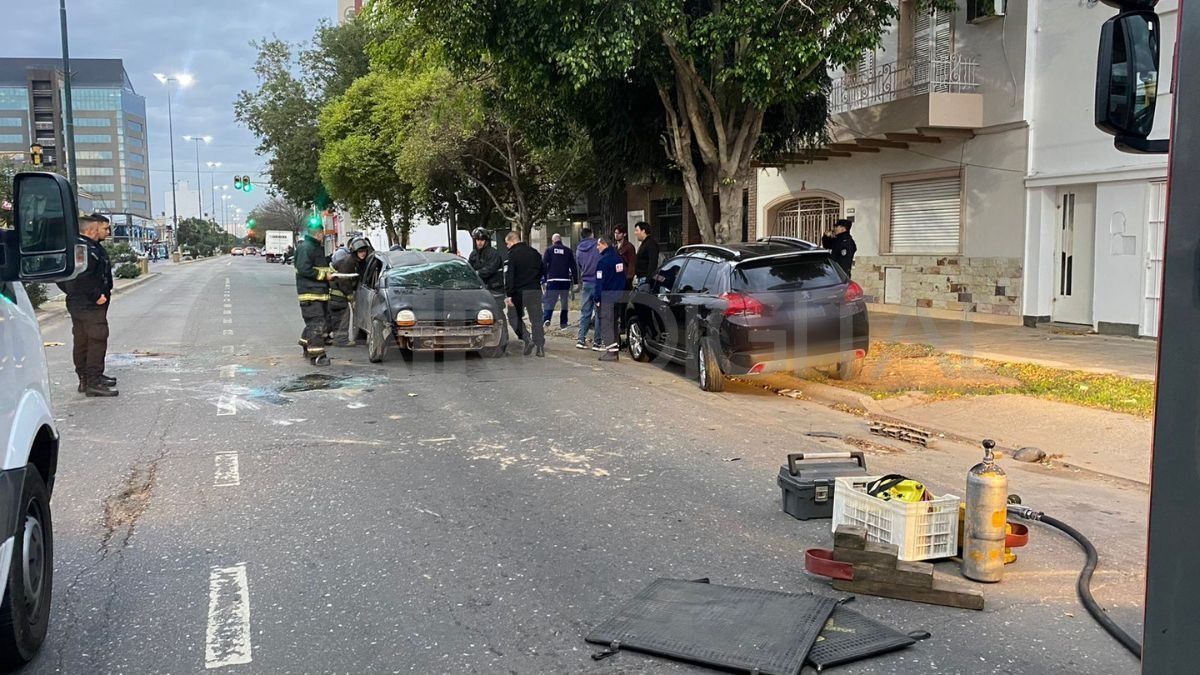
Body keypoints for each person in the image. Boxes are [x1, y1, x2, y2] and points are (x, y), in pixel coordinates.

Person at [58, 213, 117, 397]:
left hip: (85, 303)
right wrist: (96, 295)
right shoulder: (82, 249)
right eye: (105, 228)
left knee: (84, 339)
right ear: (93, 228)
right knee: (96, 340)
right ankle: (93, 381)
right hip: (87, 304)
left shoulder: (92, 247)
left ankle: (87, 379)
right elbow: (75, 277)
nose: (108, 232)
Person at [295, 220, 334, 366]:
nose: (323, 236)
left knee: (317, 322)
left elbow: (319, 267)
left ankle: (306, 343)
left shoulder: (315, 247)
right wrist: (324, 276)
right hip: (311, 294)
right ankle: (317, 356)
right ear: (318, 234)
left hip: (318, 293)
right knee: (316, 324)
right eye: (322, 234)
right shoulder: (307, 248)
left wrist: (330, 272)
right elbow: (304, 269)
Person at [503, 231, 546, 357]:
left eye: (507, 243)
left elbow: (509, 275)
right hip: (535, 290)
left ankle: (527, 338)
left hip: (518, 292)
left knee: (513, 316)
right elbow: (543, 270)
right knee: (537, 319)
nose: (507, 246)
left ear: (512, 241)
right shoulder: (535, 253)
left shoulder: (512, 255)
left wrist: (509, 294)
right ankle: (540, 347)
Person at [329, 237, 371, 347]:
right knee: (343, 315)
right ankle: (341, 340)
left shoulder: (357, 261)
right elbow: (343, 281)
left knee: (334, 316)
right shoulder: (349, 262)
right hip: (338, 292)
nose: (363, 253)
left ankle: (326, 337)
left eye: (364, 251)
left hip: (339, 292)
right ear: (355, 252)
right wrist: (350, 296)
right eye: (360, 251)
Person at [594, 235, 627, 362]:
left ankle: (611, 353)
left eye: (599, 245)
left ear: (604, 245)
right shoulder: (618, 259)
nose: (597, 248)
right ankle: (614, 351)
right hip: (618, 296)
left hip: (606, 297)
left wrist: (597, 298)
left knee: (606, 324)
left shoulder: (603, 262)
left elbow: (599, 282)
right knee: (614, 323)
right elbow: (622, 277)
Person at [541, 233, 578, 329]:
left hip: (553, 279)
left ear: (553, 241)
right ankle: (563, 323)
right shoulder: (568, 251)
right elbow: (573, 267)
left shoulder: (549, 250)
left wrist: (544, 279)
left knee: (550, 301)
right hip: (565, 280)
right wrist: (576, 281)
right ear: (560, 240)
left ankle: (546, 319)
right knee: (564, 302)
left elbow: (544, 265)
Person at [574, 227, 601, 350]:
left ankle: (581, 339)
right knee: (599, 312)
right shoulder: (597, 245)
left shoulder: (579, 249)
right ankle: (597, 342)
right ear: (592, 234)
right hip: (598, 281)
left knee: (585, 312)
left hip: (586, 282)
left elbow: (579, 265)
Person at [634, 221, 660, 286]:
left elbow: (653, 263)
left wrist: (648, 281)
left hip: (645, 279)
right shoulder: (644, 244)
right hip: (641, 278)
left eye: (637, 230)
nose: (635, 233)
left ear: (643, 231)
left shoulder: (650, 244)